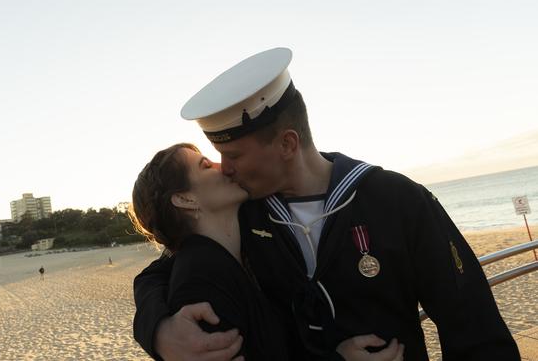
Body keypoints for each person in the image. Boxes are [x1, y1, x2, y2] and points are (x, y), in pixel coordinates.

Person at [133, 48, 520, 360]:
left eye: (233, 154)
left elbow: (475, 328)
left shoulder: (395, 200)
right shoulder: (245, 215)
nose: (225, 169)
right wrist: (159, 330)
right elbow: (162, 270)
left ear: (287, 144)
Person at [130, 143, 403, 360]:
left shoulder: (245, 237)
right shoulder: (200, 281)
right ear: (185, 199)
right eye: (205, 165)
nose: (223, 167)